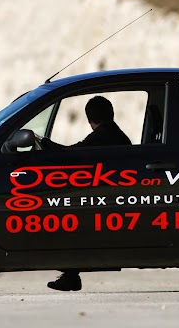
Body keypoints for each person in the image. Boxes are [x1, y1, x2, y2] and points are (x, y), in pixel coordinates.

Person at [36, 95, 131, 291]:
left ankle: (70, 275)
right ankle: (71, 275)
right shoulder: (115, 134)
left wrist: (44, 144)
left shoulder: (102, 136)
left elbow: (71, 155)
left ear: (90, 119)